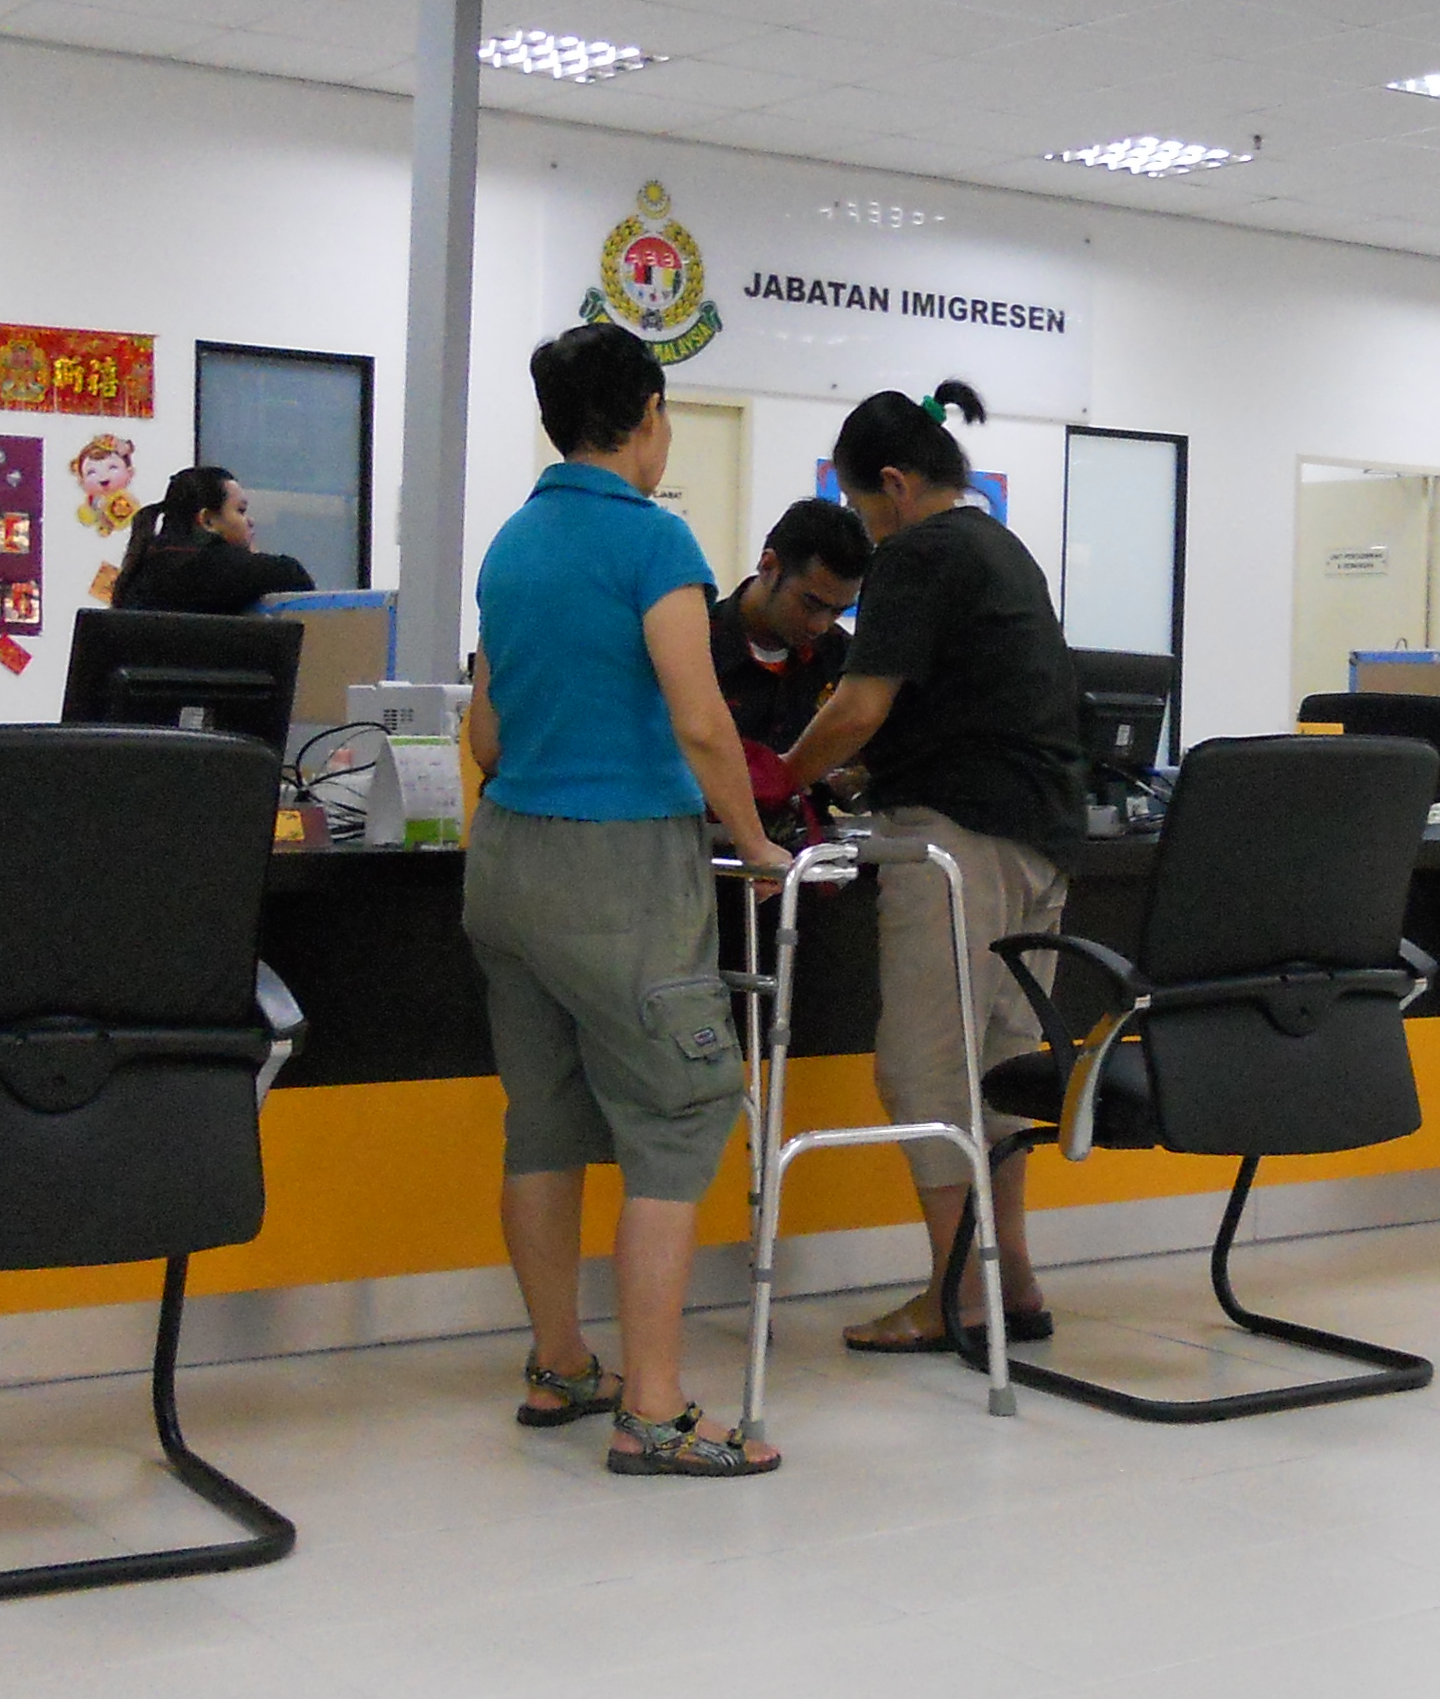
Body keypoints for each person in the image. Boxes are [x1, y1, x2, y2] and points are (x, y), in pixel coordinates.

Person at [462, 323, 794, 1479]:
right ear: (650, 416)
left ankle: (560, 1362)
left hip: (508, 861)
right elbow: (702, 720)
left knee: (543, 1121)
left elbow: (485, 734)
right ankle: (653, 1409)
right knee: (677, 1112)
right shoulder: (655, 541)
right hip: (621, 874)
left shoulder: (512, 544)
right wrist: (754, 841)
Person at [775, 381, 1084, 1358]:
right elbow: (963, 707)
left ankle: (959, 1295)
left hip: (957, 842)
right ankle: (1011, 1279)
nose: (868, 528)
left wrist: (777, 780)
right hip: (1039, 843)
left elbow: (860, 707)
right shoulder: (1002, 549)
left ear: (895, 485)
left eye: (864, 506)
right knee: (998, 1073)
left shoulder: (917, 552)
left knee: (923, 1068)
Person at [709, 497, 871, 752]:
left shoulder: (843, 659)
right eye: (811, 604)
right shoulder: (693, 648)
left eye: (838, 611)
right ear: (768, 566)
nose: (820, 626)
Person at [111, 465, 316, 614]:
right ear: (207, 520)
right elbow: (295, 575)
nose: (250, 521)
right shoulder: (216, 569)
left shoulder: (142, 570)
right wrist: (250, 557)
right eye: (241, 510)